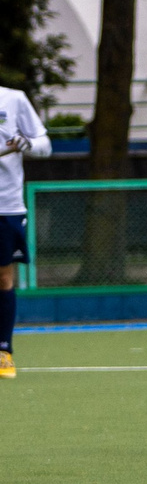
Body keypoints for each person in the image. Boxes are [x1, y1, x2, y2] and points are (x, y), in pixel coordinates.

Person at [0, 83, 49, 380]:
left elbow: (45, 145)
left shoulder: (14, 99)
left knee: (3, 277)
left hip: (6, 206)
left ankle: (4, 351)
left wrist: (25, 143)